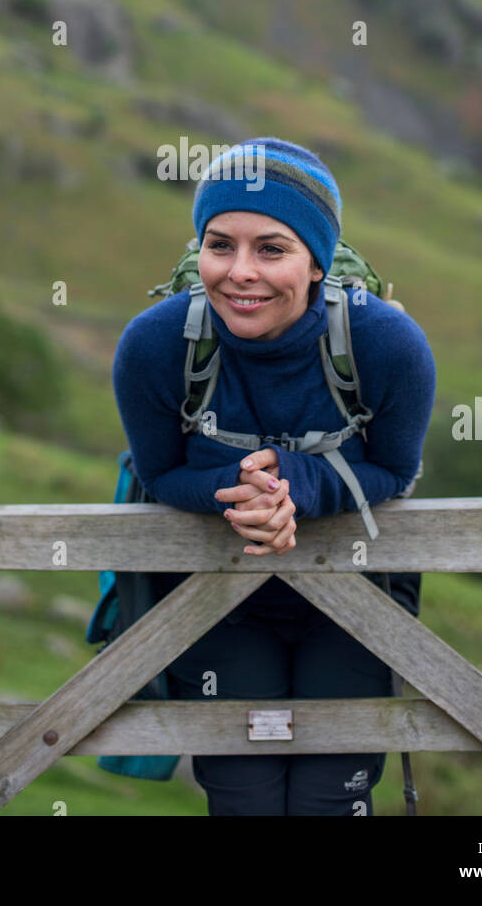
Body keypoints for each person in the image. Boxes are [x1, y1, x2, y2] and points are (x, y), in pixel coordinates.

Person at [112, 137, 436, 815]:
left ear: (316, 262)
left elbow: (396, 470)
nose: (239, 272)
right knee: (244, 803)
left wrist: (300, 484)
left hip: (353, 603)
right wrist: (240, 492)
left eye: (271, 248)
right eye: (218, 244)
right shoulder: (153, 345)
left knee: (330, 802)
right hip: (217, 603)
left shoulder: (386, 345)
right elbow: (159, 472)